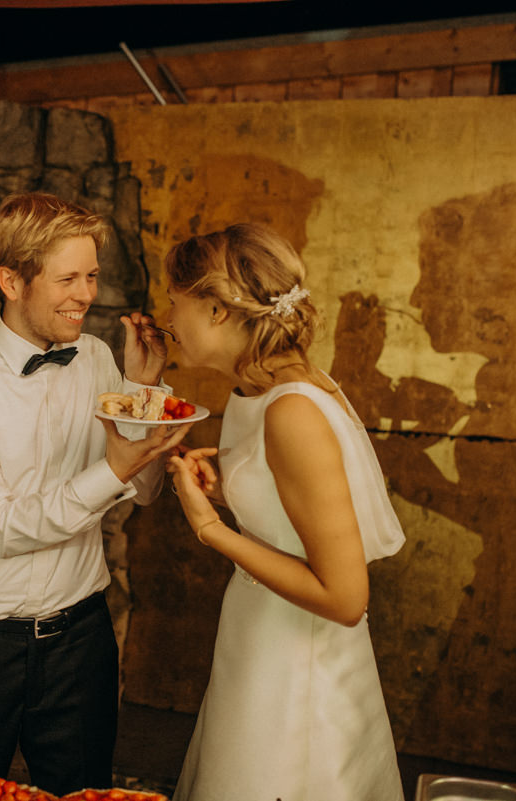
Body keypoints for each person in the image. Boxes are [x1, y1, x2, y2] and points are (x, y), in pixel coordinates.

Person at [0, 192, 192, 794]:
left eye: (91, 275)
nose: (87, 294)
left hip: (82, 641)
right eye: (68, 278)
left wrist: (144, 390)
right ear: (11, 280)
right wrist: (110, 471)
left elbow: (143, 492)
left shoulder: (95, 357)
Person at [163, 223, 406, 801]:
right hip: (259, 639)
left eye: (176, 303)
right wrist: (230, 492)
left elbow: (347, 600)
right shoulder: (258, 387)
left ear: (218, 309)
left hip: (298, 667)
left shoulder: (291, 410)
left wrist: (210, 528)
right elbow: (291, 511)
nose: (168, 319)